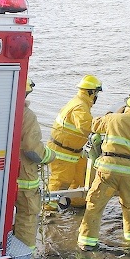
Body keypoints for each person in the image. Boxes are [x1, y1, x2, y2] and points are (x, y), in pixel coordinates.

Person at [77, 88, 130, 251]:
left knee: (95, 205)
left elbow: (94, 125)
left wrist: (112, 114)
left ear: (129, 104)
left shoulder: (113, 118)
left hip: (107, 171)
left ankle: (87, 242)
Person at [13, 77, 56, 259]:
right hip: (24, 176)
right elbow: (33, 150)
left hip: (2, 174)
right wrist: (49, 156)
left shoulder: (0, 109)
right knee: (28, 214)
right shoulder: (26, 115)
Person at [45, 74, 103, 211]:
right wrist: (108, 125)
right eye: (96, 93)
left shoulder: (80, 103)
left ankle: (77, 202)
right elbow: (86, 127)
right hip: (62, 151)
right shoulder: (80, 107)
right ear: (91, 92)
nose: (96, 96)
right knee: (61, 181)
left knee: (80, 176)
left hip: (74, 150)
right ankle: (48, 210)